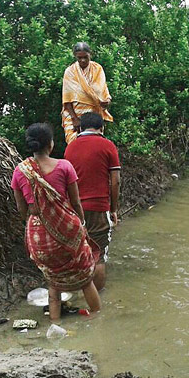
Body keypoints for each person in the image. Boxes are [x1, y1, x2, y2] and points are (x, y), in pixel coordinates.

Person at [11, 123, 102, 321]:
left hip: (39, 236)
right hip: (68, 230)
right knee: (86, 279)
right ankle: (97, 319)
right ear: (50, 144)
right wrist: (82, 226)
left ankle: (55, 323)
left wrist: (34, 224)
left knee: (53, 282)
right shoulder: (64, 166)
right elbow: (76, 202)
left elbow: (21, 209)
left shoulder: (20, 171)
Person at [64, 112, 120, 290]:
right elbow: (116, 181)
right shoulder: (108, 146)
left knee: (80, 251)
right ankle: (98, 304)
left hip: (74, 210)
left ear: (80, 128)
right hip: (98, 207)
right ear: (101, 128)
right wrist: (113, 209)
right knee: (98, 255)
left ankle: (81, 293)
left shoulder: (70, 148)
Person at [61, 42, 113, 144]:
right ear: (75, 56)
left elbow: (104, 91)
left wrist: (107, 101)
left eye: (85, 57)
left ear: (90, 54)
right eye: (79, 58)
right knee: (74, 145)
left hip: (94, 115)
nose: (83, 60)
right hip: (74, 114)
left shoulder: (97, 69)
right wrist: (75, 119)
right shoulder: (70, 72)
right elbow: (66, 99)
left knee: (94, 143)